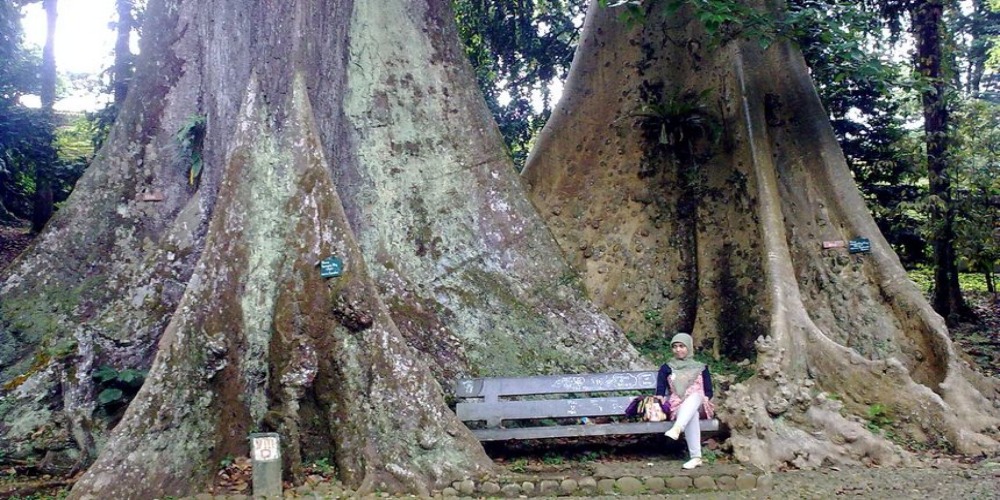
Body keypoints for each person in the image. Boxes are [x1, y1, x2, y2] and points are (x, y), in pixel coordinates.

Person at [654, 332, 714, 470]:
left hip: (700, 403)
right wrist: (660, 399)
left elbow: (708, 391)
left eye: (682, 346)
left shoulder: (701, 367)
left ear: (689, 347)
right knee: (692, 414)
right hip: (679, 404)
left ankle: (677, 428)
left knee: (695, 396)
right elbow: (660, 390)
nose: (678, 350)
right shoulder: (667, 367)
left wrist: (703, 398)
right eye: (675, 347)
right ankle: (696, 457)